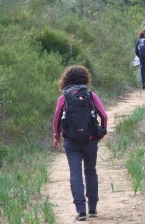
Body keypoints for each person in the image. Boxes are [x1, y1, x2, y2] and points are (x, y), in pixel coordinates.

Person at [53, 65, 108, 221]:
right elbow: (103, 115)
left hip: (71, 141)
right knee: (90, 171)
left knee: (75, 174)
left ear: (66, 80)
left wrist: (56, 136)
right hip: (91, 140)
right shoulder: (91, 96)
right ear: (85, 79)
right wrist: (101, 132)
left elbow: (57, 119)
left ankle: (81, 210)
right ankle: (92, 208)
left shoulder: (63, 98)